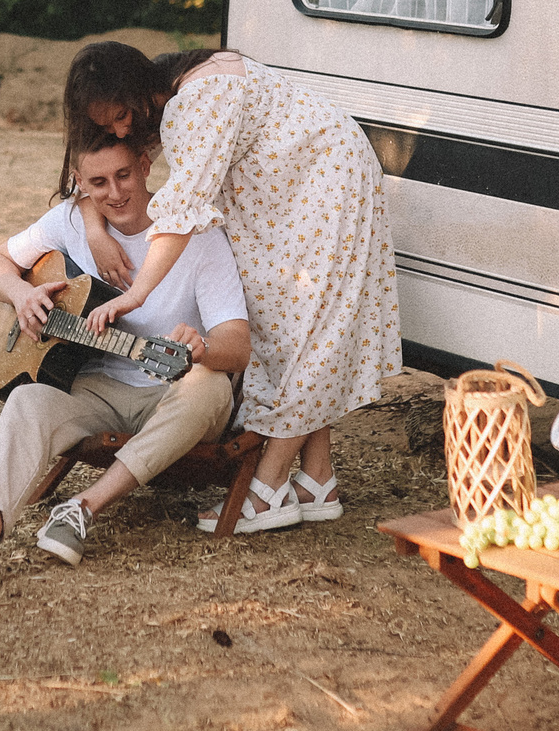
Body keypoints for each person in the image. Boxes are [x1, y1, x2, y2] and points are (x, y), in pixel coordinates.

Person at [68, 43, 399, 534]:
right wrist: (96, 229)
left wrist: (136, 295)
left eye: (120, 117)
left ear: (138, 89)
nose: (117, 130)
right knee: (293, 325)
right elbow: (102, 172)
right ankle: (317, 479)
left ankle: (268, 488)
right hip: (304, 185)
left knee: (308, 333)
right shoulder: (178, 87)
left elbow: (180, 213)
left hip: (328, 183)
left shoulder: (196, 102)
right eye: (106, 123)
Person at [0, 135, 250, 588]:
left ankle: (82, 508)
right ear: (79, 182)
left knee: (209, 385)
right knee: (28, 401)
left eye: (124, 175)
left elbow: (238, 345)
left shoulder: (197, 236)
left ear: (145, 165)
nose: (115, 193)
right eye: (98, 182)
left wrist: (202, 347)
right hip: (100, 387)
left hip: (174, 396)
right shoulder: (71, 221)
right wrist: (21, 294)